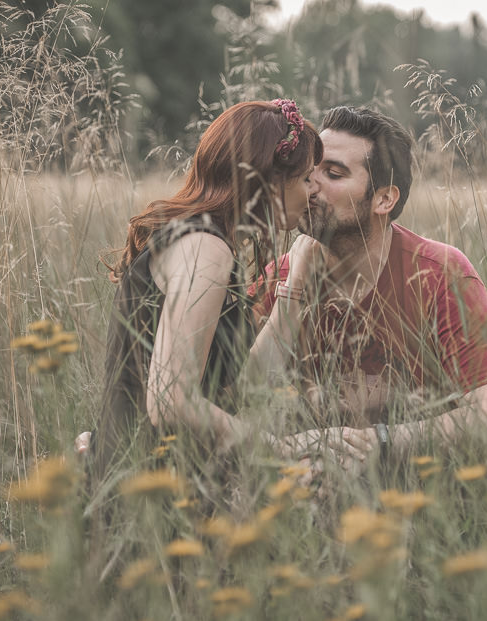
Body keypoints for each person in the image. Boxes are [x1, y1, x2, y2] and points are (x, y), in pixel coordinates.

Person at [247, 106, 487, 468]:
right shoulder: (280, 276)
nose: (310, 185)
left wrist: (373, 443)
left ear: (384, 199)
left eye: (332, 173)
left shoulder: (439, 274)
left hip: (430, 482)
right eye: (308, 171)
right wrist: (293, 289)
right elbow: (239, 398)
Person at [86, 99, 324, 482]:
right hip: (147, 494)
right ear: (269, 180)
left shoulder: (201, 240)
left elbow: (241, 387)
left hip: (147, 473)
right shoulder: (204, 248)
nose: (314, 190)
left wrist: (298, 283)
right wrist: (277, 451)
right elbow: (171, 401)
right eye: (307, 177)